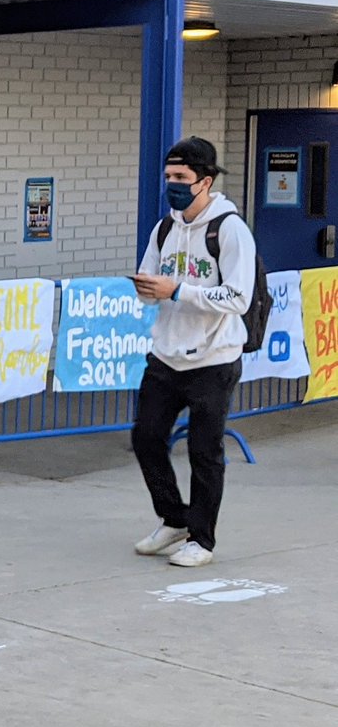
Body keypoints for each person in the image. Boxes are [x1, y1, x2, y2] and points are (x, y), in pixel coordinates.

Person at [129, 136, 255, 568]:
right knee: (146, 437)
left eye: (181, 177)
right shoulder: (164, 229)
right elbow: (151, 278)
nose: (173, 185)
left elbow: (238, 297)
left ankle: (202, 539)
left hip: (214, 359)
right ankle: (174, 518)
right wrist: (147, 288)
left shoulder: (230, 229)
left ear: (205, 181)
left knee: (204, 451)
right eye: (168, 176)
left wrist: (178, 290)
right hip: (166, 355)